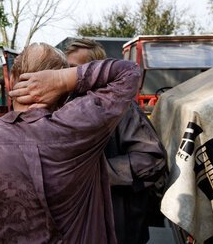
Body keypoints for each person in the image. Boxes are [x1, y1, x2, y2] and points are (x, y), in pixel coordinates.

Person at [0, 43, 140, 243]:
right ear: (64, 93)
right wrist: (63, 79)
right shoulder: (80, 130)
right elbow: (129, 72)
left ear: (11, 79)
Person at [65, 38, 167, 244]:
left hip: (120, 225)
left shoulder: (123, 108)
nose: (67, 76)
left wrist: (98, 173)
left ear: (97, 71)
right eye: (66, 69)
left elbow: (152, 160)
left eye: (76, 70)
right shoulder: (65, 105)